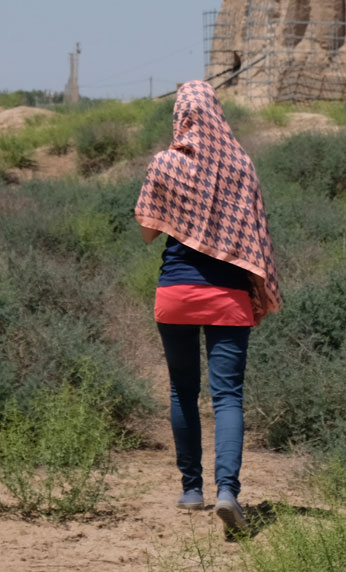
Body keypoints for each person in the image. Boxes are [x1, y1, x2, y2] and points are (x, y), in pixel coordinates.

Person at [134, 80, 281, 535]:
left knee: (182, 391)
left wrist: (185, 215)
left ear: (180, 115)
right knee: (228, 396)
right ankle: (228, 493)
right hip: (228, 297)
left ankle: (191, 489)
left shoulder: (164, 163)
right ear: (216, 111)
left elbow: (146, 232)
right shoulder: (241, 164)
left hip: (175, 293)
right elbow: (255, 235)